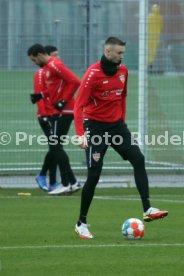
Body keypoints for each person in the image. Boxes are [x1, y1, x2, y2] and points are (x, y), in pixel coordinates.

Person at [74, 36, 168, 239]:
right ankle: (81, 222)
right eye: (119, 53)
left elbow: (122, 97)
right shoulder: (92, 74)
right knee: (94, 174)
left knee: (139, 159)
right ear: (108, 52)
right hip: (96, 128)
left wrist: (122, 122)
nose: (121, 57)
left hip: (117, 127)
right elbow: (78, 105)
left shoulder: (123, 71)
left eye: (123, 53)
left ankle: (148, 210)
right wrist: (81, 135)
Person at [28, 43, 81, 195]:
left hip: (64, 110)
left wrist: (63, 101)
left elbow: (75, 81)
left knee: (55, 145)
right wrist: (42, 95)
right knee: (56, 145)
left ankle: (68, 183)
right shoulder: (48, 69)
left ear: (39, 55)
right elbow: (57, 87)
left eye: (34, 60)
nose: (34, 63)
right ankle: (70, 182)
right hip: (62, 110)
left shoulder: (53, 65)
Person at [147, 4, 163, 73]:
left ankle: (150, 66)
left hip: (149, 37)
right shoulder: (160, 17)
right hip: (157, 37)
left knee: (149, 52)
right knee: (155, 52)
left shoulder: (149, 17)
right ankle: (154, 67)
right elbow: (161, 27)